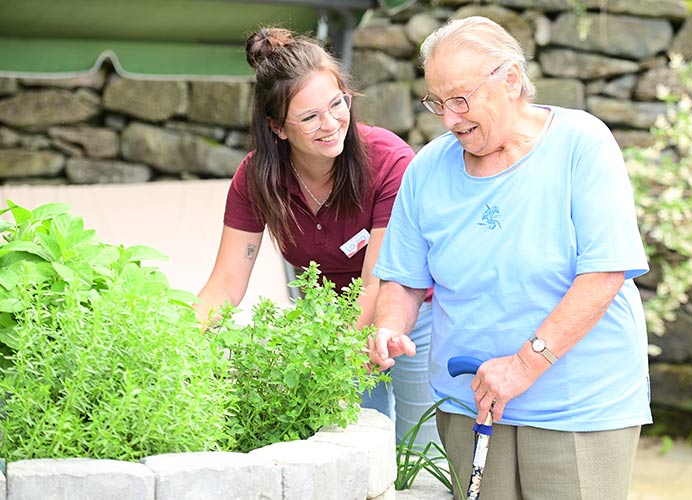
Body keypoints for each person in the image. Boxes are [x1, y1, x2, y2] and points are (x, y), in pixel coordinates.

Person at [368, 16, 652, 500]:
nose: (449, 118)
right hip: (469, 401)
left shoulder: (582, 143)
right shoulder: (426, 169)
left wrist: (522, 366)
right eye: (437, 102)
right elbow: (404, 278)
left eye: (460, 99)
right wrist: (390, 326)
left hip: (577, 406)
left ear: (511, 79)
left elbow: (604, 272)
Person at [195, 26, 437, 446]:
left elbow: (375, 282)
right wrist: (176, 339)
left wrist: (328, 361)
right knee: (351, 452)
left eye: (337, 104)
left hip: (409, 315)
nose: (331, 124)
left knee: (423, 450)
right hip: (330, 327)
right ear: (278, 128)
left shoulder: (388, 161)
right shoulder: (257, 180)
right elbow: (225, 284)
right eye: (309, 117)